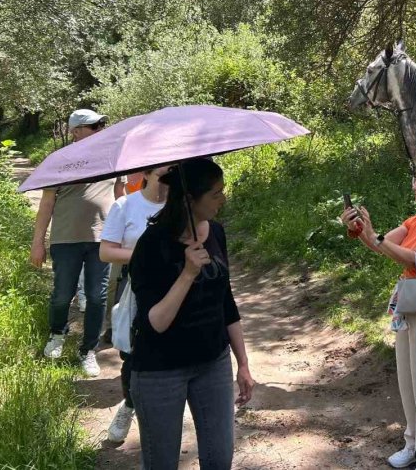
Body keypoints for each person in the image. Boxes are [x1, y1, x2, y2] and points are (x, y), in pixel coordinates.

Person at [129, 158, 255, 469]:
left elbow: (226, 302)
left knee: (219, 458)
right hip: (159, 371)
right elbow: (156, 322)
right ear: (189, 200)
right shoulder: (151, 245)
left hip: (213, 362)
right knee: (161, 463)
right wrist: (186, 274)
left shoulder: (215, 232)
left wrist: (243, 363)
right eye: (215, 194)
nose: (223, 200)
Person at [341, 162, 416, 470]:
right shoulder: (415, 220)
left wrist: (376, 237)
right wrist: (360, 230)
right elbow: (381, 245)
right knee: (406, 380)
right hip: (412, 301)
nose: (415, 186)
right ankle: (412, 443)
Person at [30, 108, 124, 377]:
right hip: (65, 239)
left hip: (102, 241)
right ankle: (57, 334)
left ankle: (88, 350)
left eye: (100, 126)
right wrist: (38, 242)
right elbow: (47, 203)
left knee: (97, 297)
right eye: (93, 127)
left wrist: (128, 235)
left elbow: (121, 198)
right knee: (62, 295)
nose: (99, 131)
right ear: (75, 131)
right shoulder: (59, 160)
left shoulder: (114, 159)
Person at [99, 165, 170, 443]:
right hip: (136, 287)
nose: (170, 177)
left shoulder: (183, 205)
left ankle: (163, 414)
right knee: (133, 353)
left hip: (178, 286)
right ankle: (129, 405)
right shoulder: (125, 205)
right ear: (149, 173)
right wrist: (145, 254)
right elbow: (106, 251)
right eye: (165, 172)